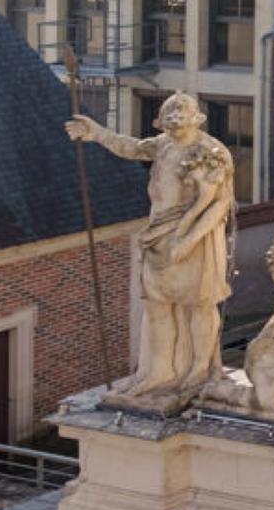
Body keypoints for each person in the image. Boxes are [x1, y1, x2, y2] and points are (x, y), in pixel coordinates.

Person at [67, 93, 236, 413]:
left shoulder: (211, 152)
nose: (174, 120)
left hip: (195, 239)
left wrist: (188, 240)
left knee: (199, 304)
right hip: (158, 235)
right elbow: (132, 147)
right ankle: (158, 372)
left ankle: (200, 370)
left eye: (180, 114)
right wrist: (96, 133)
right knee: (157, 305)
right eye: (168, 115)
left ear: (197, 118)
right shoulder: (163, 145)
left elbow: (219, 205)